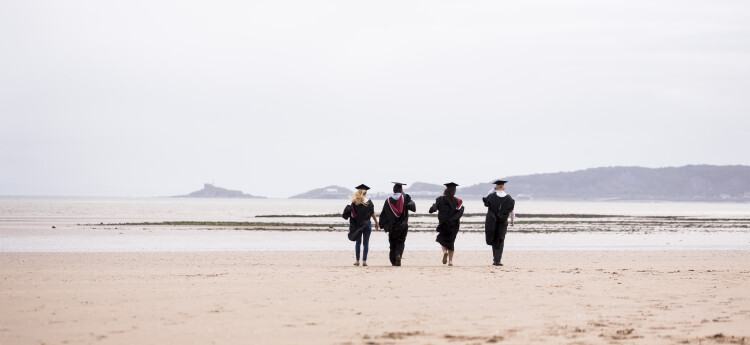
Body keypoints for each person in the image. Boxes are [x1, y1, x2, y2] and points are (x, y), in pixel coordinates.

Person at [378, 182, 416, 266]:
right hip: (403, 225)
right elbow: (413, 206)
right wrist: (409, 204)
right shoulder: (406, 198)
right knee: (401, 241)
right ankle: (398, 254)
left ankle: (393, 261)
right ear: (401, 190)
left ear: (393, 190)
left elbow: (383, 213)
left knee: (392, 243)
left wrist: (382, 224)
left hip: (392, 227)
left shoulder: (388, 200)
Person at [429, 182, 464, 266]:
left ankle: (445, 252)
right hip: (453, 224)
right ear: (454, 191)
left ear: (445, 190)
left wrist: (433, 209)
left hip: (443, 223)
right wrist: (452, 220)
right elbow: (459, 213)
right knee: (451, 241)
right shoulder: (457, 201)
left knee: (442, 239)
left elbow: (433, 208)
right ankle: (450, 261)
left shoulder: (439, 199)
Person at [342, 184, 378, 266]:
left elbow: (351, 214)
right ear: (365, 192)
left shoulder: (354, 202)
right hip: (367, 225)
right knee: (366, 243)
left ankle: (357, 261)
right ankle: (364, 261)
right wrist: (376, 222)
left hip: (358, 226)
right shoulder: (369, 202)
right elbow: (372, 213)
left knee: (358, 243)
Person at [483, 180, 515, 266]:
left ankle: (495, 259)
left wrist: (493, 189)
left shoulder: (491, 196)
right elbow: (512, 211)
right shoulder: (509, 199)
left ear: (496, 187)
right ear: (504, 187)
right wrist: (512, 221)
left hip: (492, 221)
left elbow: (486, 198)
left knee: (494, 239)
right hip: (502, 222)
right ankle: (498, 260)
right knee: (500, 239)